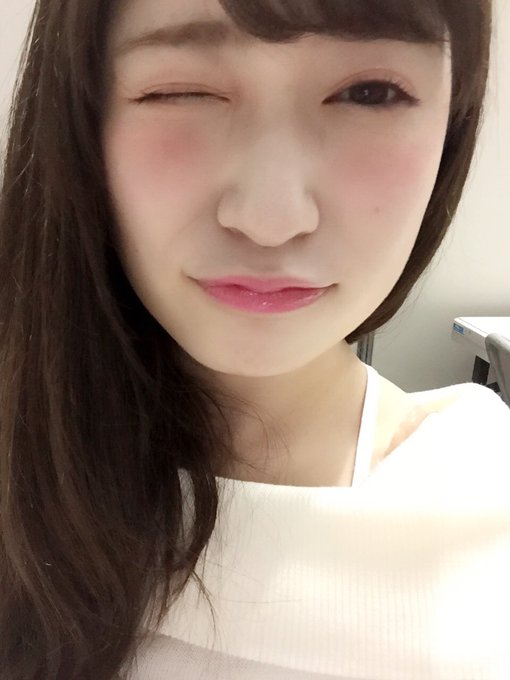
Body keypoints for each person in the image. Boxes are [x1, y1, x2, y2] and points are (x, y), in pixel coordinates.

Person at [0, 0, 509, 678]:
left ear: (453, 123)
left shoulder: (486, 520)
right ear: (80, 117)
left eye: (370, 93)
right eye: (181, 91)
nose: (271, 219)